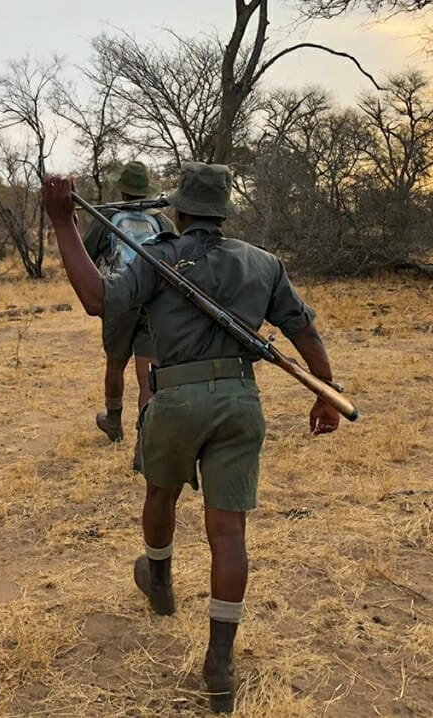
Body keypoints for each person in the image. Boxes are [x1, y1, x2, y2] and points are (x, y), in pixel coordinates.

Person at [43, 163, 341, 714]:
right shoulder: (263, 264)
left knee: (161, 493)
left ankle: (159, 582)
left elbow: (96, 299)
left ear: (177, 210)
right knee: (229, 533)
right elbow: (303, 328)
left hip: (174, 397)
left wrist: (63, 224)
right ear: (223, 212)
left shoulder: (159, 257)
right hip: (239, 402)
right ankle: (220, 665)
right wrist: (327, 390)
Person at [82, 161, 175, 471]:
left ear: (121, 188)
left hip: (119, 299)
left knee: (115, 363)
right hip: (154, 301)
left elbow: (86, 254)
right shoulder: (161, 221)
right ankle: (145, 440)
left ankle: (114, 419)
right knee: (148, 372)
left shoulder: (106, 218)